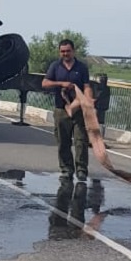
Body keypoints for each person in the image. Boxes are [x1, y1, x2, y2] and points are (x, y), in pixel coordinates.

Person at [42, 38, 94, 183]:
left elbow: (86, 86)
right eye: (63, 51)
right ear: (60, 52)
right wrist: (61, 83)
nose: (65, 54)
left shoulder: (81, 67)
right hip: (61, 109)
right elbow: (45, 83)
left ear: (73, 51)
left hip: (79, 109)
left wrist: (89, 99)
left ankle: (82, 170)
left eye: (68, 51)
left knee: (81, 141)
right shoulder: (55, 66)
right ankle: (66, 170)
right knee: (63, 141)